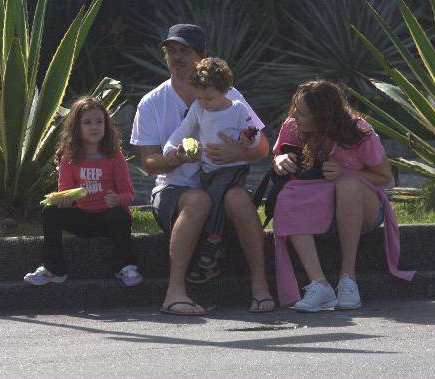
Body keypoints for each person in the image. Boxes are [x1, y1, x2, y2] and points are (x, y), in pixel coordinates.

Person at [130, 24, 275, 315]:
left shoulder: (229, 95)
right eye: (171, 51)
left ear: (202, 56)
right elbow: (148, 163)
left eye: (185, 51)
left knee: (239, 199)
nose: (177, 58)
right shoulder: (152, 102)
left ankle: (260, 288)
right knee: (198, 199)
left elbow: (262, 147)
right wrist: (176, 158)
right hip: (174, 189)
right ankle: (175, 292)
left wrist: (238, 151)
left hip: (221, 182)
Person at [271, 80, 415, 312]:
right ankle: (320, 285)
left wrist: (345, 172)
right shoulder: (293, 127)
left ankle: (348, 278)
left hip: (363, 206)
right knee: (287, 196)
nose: (295, 116)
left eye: (302, 113)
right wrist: (279, 161)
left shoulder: (359, 131)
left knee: (347, 184)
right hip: (320, 206)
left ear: (322, 117)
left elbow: (383, 177)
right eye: (295, 109)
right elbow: (277, 153)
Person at [24, 97, 143, 287]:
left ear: (106, 125)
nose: (94, 127)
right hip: (82, 218)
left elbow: (129, 194)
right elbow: (65, 190)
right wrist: (65, 199)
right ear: (76, 127)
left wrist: (118, 200)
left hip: (107, 219)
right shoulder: (68, 157)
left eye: (99, 122)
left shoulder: (115, 156)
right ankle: (53, 269)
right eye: (87, 122)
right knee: (50, 211)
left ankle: (125, 266)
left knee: (120, 215)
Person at [162, 57, 260, 283]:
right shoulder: (198, 108)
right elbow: (182, 130)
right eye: (199, 97)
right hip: (208, 169)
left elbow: (254, 133)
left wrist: (245, 143)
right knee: (206, 197)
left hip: (232, 169)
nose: (204, 103)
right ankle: (209, 253)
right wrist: (172, 150)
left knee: (215, 195)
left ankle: (213, 241)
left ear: (225, 90)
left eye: (209, 98)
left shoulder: (237, 108)